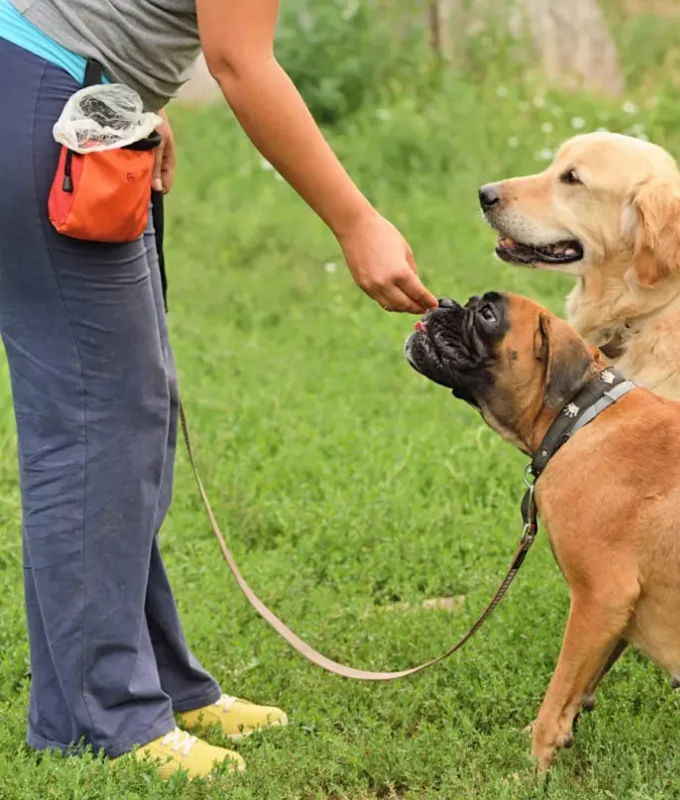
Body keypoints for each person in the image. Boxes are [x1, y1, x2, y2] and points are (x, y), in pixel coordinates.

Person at [0, 0, 438, 781]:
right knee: (96, 422)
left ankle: (156, 683)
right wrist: (356, 221)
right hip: (48, 101)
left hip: (69, 97)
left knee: (128, 415)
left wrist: (126, 91)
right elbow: (240, 62)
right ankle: (105, 723)